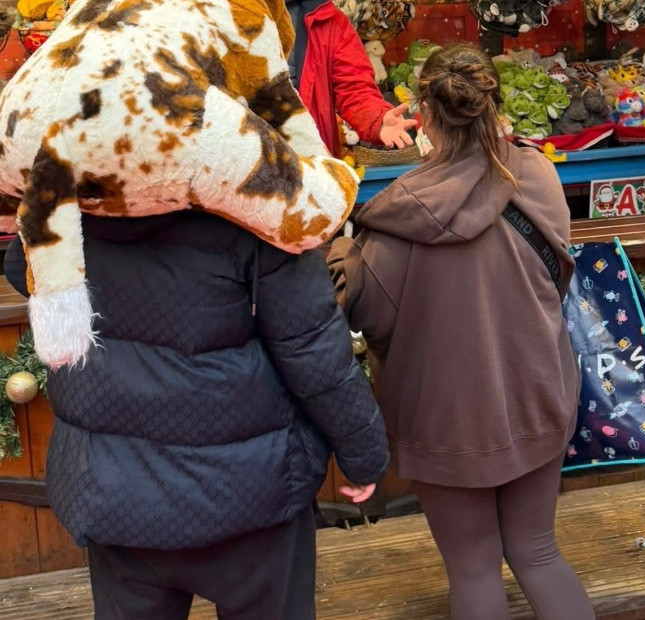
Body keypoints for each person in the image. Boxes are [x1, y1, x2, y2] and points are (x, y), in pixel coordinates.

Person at [4, 209, 390, 619]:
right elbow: (316, 354)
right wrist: (363, 456)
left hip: (118, 490)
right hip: (251, 494)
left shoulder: (71, 201)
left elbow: (19, 268)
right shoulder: (264, 209)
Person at [327, 42, 594, 620]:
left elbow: (364, 314)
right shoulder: (538, 174)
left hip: (445, 420)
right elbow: (558, 271)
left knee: (473, 568)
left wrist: (342, 253)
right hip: (539, 393)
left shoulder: (397, 217)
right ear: (492, 103)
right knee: (538, 552)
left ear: (423, 115)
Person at [281, 0, 417, 158]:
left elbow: (355, 87)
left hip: (310, 157)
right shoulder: (239, 16)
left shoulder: (331, 22)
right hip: (247, 153)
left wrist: (377, 119)